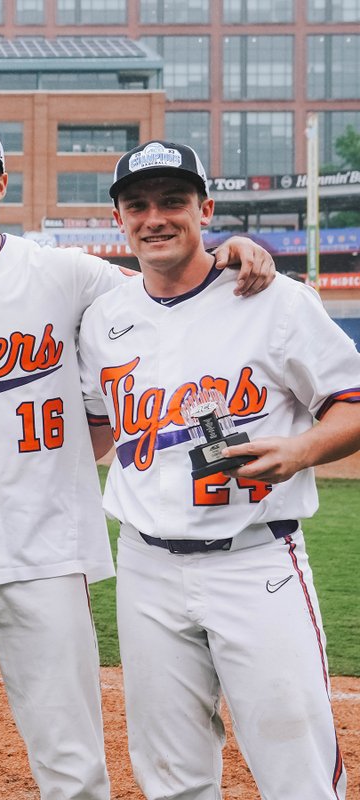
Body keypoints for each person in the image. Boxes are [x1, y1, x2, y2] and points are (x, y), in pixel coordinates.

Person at [0, 116, 275, 799]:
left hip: (49, 553)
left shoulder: (66, 275)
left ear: (2, 181)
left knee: (72, 763)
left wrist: (229, 249)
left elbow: (169, 276)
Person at [79, 140, 358, 799]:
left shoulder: (273, 298)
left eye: (173, 201)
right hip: (146, 568)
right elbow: (95, 427)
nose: (155, 217)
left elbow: (351, 400)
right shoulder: (103, 319)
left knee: (297, 770)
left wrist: (301, 450)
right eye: (137, 204)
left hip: (255, 559)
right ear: (118, 219)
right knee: (171, 775)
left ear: (205, 209)